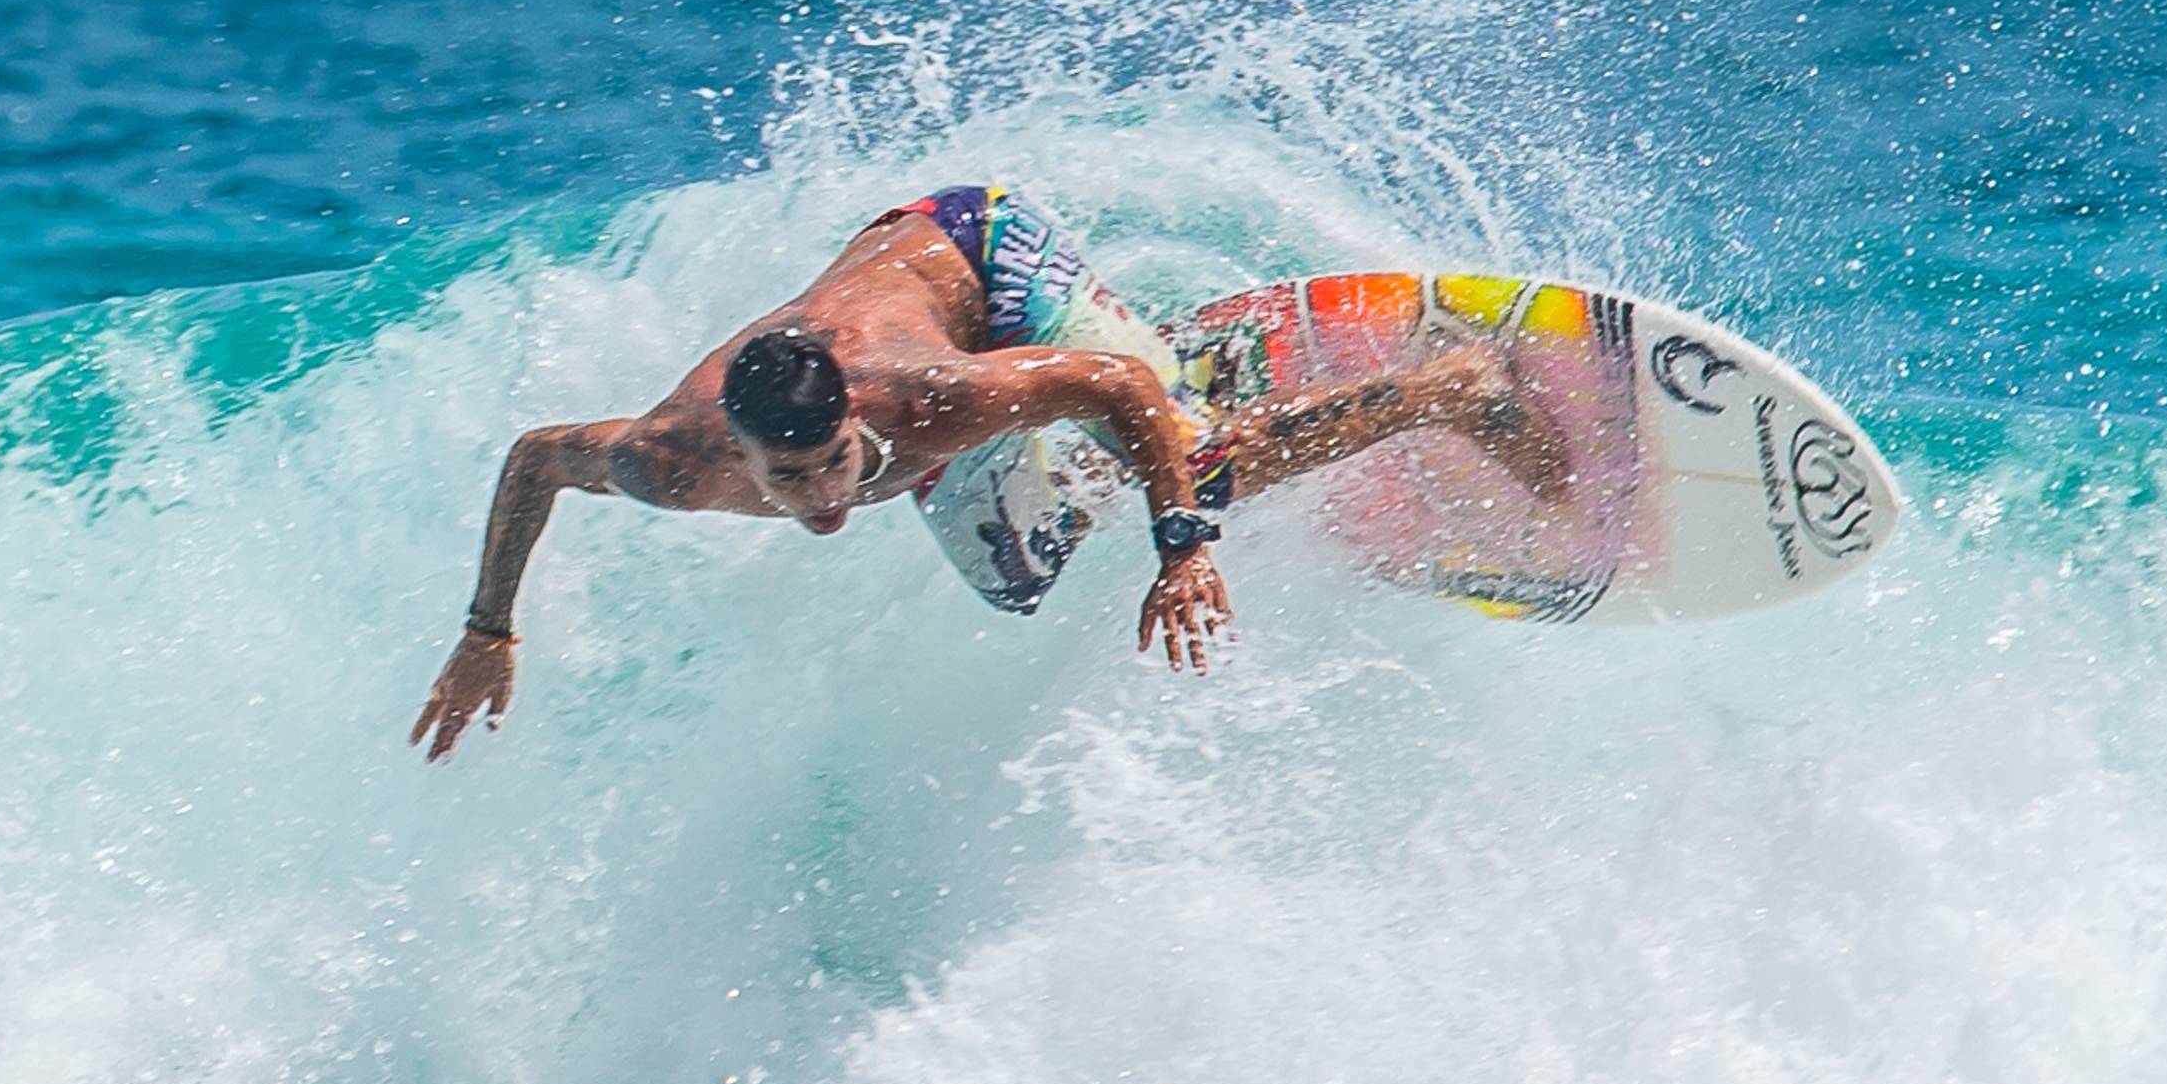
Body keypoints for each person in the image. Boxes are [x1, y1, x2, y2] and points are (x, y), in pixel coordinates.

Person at [412, 185, 1567, 760]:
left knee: (1181, 456)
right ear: (735, 452)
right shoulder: (669, 461)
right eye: (787, 481)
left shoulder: (928, 398)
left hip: (976, 252)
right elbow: (534, 461)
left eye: (830, 469)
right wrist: (487, 627)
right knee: (1020, 571)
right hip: (930, 316)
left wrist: (1185, 542)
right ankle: (1195, 369)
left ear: (851, 416)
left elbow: (1106, 396)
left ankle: (1451, 386)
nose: (818, 502)